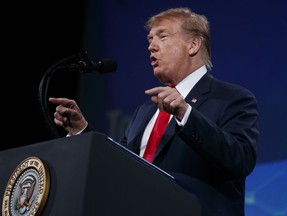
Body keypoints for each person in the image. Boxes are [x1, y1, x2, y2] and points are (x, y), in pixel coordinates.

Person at [49, 7, 259, 216]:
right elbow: (118, 163)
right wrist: (82, 131)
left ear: (193, 45)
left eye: (163, 36)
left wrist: (186, 114)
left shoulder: (232, 98)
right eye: (149, 39)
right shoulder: (146, 110)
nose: (151, 46)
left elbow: (241, 159)